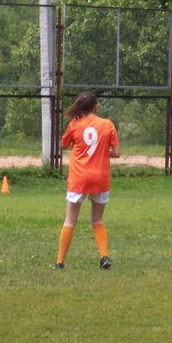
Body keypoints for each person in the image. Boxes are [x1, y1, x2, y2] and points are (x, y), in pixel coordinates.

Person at [55, 92, 120, 269]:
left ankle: (60, 262)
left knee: (70, 220)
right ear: (96, 107)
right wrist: (102, 152)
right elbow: (117, 153)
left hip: (79, 178)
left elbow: (64, 144)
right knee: (97, 219)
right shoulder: (107, 124)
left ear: (79, 107)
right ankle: (104, 256)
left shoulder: (74, 124)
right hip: (100, 177)